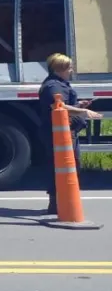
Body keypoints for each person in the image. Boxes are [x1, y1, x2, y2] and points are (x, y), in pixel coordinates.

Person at [38, 53, 102, 214]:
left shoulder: (59, 84)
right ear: (59, 69)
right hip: (59, 134)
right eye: (69, 68)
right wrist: (83, 111)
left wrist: (78, 104)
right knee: (62, 167)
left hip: (67, 132)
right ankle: (58, 204)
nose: (71, 70)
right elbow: (58, 106)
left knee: (69, 166)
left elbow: (64, 104)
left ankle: (61, 203)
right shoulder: (53, 86)